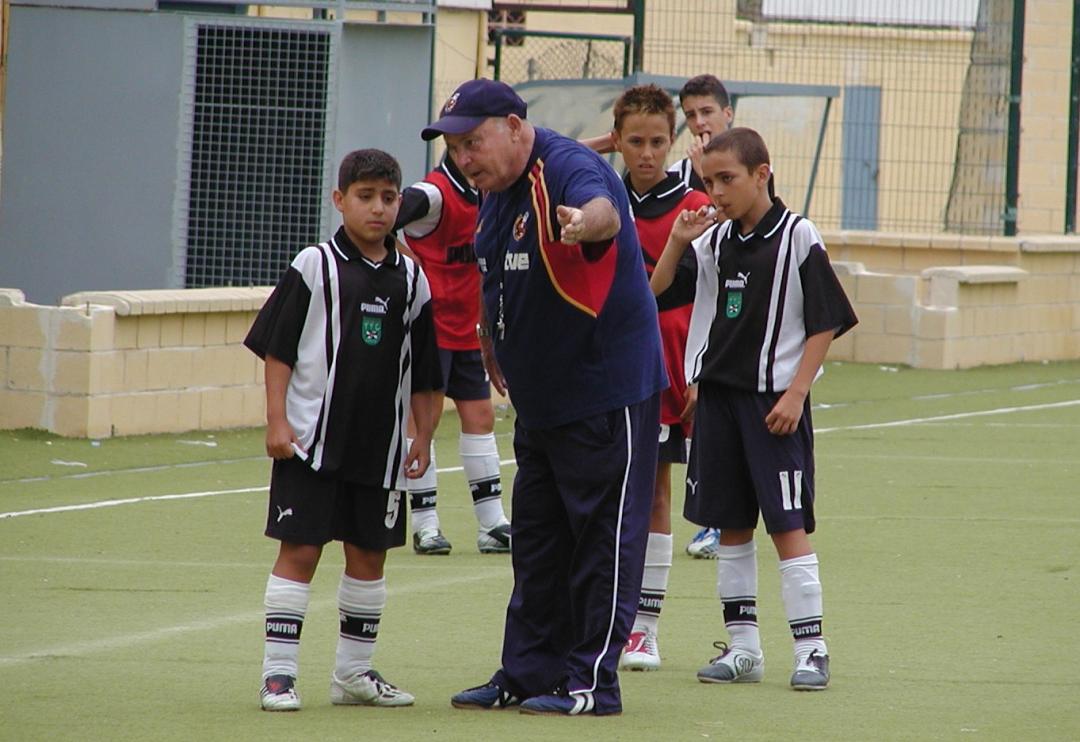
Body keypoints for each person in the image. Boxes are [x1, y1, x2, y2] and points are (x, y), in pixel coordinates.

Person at [422, 78, 667, 716]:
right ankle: (527, 673)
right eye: (455, 145)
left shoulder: (566, 169)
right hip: (541, 403)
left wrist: (584, 223)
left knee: (601, 541)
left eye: (473, 142)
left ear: (512, 125)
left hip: (603, 394)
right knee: (537, 543)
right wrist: (488, 332)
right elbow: (492, 269)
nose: (464, 158)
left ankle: (591, 682)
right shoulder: (495, 190)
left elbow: (603, 213)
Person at [650, 127, 857, 691]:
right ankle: (743, 649)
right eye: (708, 181)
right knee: (732, 527)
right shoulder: (712, 242)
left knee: (787, 527)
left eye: (727, 180)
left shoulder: (797, 235)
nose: (715, 192)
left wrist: (795, 393)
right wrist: (675, 240)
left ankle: (812, 650)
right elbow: (656, 293)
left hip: (773, 407)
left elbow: (826, 321)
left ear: (762, 173)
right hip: (716, 404)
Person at [244, 149, 441, 711]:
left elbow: (426, 372)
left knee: (369, 557)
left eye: (387, 197)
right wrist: (277, 419)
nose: (377, 208)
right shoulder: (314, 265)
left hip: (379, 452)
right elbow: (277, 351)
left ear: (399, 203)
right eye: (365, 196)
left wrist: (422, 436)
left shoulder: (413, 278)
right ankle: (278, 676)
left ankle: (353, 675)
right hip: (309, 443)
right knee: (301, 551)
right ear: (339, 200)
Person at [608, 84, 712, 672]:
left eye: (656, 142)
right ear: (617, 141)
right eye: (634, 141)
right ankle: (606, 616)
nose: (646, 153)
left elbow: (712, 290)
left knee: (654, 490)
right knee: (605, 489)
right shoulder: (601, 198)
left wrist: (701, 362)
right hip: (611, 360)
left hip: (672, 359)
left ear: (671, 143)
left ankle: (643, 628)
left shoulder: (695, 203)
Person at [394, 156, 512, 556]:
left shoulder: (488, 190)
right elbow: (380, 216)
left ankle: (492, 524)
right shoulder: (433, 195)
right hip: (430, 330)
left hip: (468, 330)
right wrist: (411, 264)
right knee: (422, 422)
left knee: (479, 418)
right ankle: (425, 525)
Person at [669, 74, 735, 193]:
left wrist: (704, 170)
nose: (699, 122)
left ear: (728, 114)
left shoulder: (752, 163)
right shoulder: (677, 172)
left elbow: (736, 211)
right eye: (690, 115)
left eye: (706, 112)